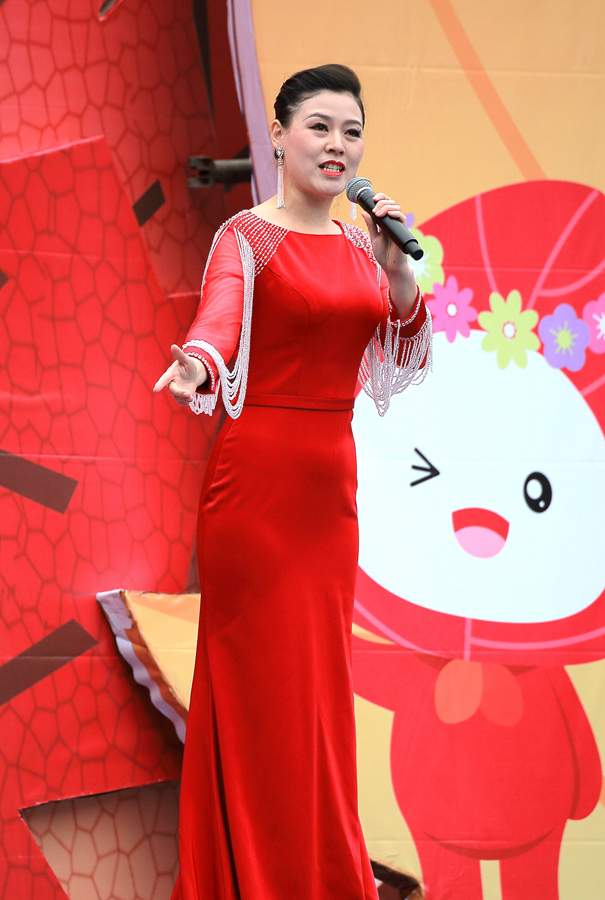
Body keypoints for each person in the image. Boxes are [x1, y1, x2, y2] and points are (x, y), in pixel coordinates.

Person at [154, 64, 432, 900]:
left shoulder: (358, 243)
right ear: (277, 136)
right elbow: (219, 318)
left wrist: (398, 274)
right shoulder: (246, 236)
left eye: (350, 132)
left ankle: (317, 877)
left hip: (327, 497)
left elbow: (398, 350)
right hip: (257, 492)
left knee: (316, 691)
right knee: (260, 688)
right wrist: (199, 363)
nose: (336, 145)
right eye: (319, 126)